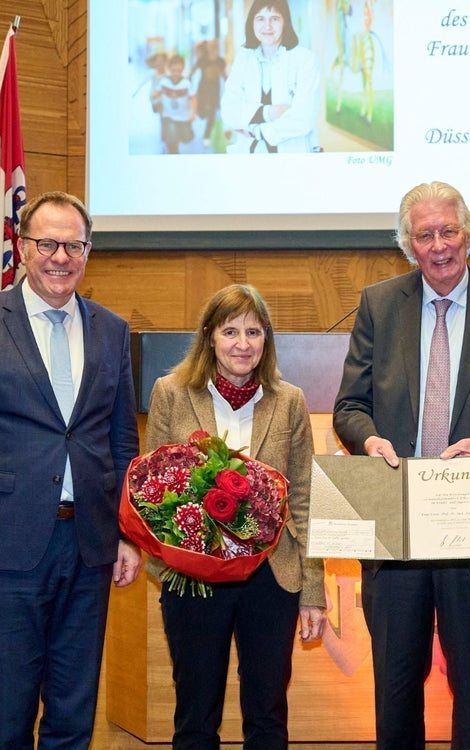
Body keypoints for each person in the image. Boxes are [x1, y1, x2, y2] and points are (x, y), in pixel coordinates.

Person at [334, 181, 470, 749]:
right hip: (395, 525)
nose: (439, 245)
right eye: (424, 235)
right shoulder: (379, 304)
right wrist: (371, 440)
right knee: (395, 688)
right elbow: (350, 406)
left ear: (468, 234)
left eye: (448, 231)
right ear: (408, 245)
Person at [0, 191, 142, 749]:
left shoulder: (112, 330)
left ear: (87, 251)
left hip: (89, 546)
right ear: (22, 249)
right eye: (46, 243)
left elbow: (121, 439)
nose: (60, 257)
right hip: (3, 553)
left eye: (73, 245)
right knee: (9, 715)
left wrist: (128, 531)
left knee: (74, 716)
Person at [145, 283, 326, 749]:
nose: (243, 344)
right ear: (209, 337)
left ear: (267, 339)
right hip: (194, 576)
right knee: (195, 714)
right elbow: (151, 487)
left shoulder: (289, 400)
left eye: (254, 331)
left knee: (267, 714)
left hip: (271, 576)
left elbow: (304, 498)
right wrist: (170, 559)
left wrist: (313, 591)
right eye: (230, 331)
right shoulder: (171, 392)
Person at [220, 0, 321, 154]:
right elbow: (228, 112)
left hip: (292, 155)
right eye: (260, 19)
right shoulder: (243, 59)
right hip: (249, 156)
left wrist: (257, 131)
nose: (267, 26)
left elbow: (303, 119)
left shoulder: (304, 59)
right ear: (252, 23)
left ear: (285, 22)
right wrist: (269, 112)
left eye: (274, 19)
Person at [154, 53, 196, 154]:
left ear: (183, 70)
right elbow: (156, 92)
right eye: (173, 71)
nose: (176, 73)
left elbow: (193, 98)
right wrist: (155, 96)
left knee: (186, 138)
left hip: (183, 117)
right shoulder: (164, 81)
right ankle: (172, 152)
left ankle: (173, 146)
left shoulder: (186, 83)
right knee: (172, 140)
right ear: (169, 69)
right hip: (169, 116)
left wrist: (193, 113)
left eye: (179, 71)